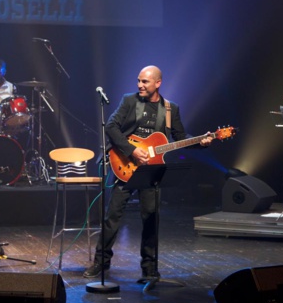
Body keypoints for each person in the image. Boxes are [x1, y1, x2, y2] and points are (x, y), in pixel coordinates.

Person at [83, 65, 214, 279]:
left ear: (158, 83)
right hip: (125, 166)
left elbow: (180, 138)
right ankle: (101, 262)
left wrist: (201, 142)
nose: (140, 85)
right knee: (112, 216)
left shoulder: (171, 109)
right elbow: (111, 127)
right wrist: (132, 151)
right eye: (139, 80)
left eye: (145, 81)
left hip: (151, 171)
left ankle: (149, 268)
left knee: (151, 218)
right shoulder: (129, 101)